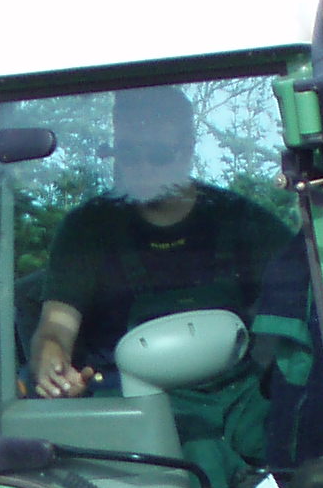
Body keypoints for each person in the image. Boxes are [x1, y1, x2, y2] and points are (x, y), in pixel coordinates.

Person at [29, 85, 294, 399]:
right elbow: (56, 324)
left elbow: (301, 313)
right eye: (128, 153)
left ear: (189, 148)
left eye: (157, 154)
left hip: (240, 404)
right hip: (128, 408)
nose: (142, 167)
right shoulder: (86, 230)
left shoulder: (247, 224)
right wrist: (52, 362)